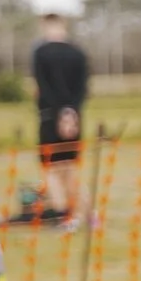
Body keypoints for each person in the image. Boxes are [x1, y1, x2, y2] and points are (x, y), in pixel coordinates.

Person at [32, 12, 90, 222]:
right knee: (70, 167)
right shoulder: (78, 52)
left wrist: (59, 114)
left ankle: (62, 213)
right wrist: (70, 113)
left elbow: (43, 87)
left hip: (49, 116)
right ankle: (85, 214)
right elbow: (82, 88)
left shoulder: (40, 52)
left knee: (52, 169)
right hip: (74, 118)